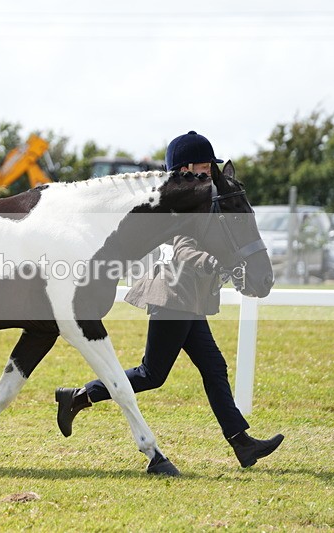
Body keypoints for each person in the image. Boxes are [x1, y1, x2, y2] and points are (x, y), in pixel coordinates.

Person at [55, 131, 284, 468]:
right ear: (183, 168)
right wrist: (216, 264)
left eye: (210, 166)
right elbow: (184, 248)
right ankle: (78, 396)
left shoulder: (202, 201)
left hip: (190, 300)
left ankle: (242, 443)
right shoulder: (177, 204)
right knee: (152, 374)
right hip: (173, 296)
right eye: (203, 166)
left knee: (213, 368)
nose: (209, 171)